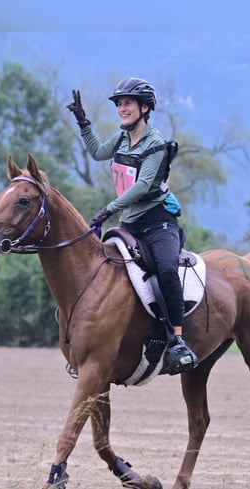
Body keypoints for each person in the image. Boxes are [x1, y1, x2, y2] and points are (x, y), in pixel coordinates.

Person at [66, 77, 197, 374]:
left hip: (158, 222)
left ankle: (178, 342)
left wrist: (108, 210)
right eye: (119, 104)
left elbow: (142, 186)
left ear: (145, 108)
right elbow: (99, 152)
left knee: (165, 268)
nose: (122, 109)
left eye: (128, 103)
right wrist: (83, 121)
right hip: (131, 225)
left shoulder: (156, 144)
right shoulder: (123, 138)